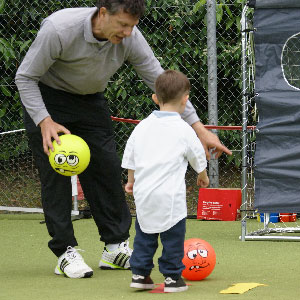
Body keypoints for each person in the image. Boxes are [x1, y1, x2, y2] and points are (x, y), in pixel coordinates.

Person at [15, 0, 230, 279]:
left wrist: (199, 128)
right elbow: (25, 77)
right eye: (123, 25)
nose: (128, 33)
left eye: (133, 26)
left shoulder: (131, 38)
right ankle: (65, 252)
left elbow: (160, 80)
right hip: (48, 99)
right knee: (56, 173)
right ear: (103, 14)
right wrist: (44, 121)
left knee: (105, 169)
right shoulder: (59, 29)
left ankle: (115, 247)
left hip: (90, 101)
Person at [122, 70, 209, 293]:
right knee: (172, 236)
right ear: (185, 99)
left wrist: (131, 181)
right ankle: (172, 278)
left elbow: (131, 156)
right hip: (170, 196)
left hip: (144, 193)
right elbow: (197, 154)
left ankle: (140, 274)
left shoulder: (141, 127)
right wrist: (202, 175)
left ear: (154, 98)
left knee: (145, 234)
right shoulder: (183, 129)